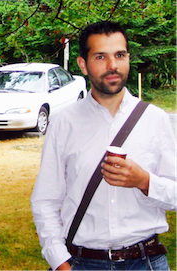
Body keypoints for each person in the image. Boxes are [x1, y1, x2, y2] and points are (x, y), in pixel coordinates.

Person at [31, 21, 176, 271]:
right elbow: (45, 200)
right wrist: (60, 262)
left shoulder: (156, 120)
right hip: (82, 263)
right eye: (101, 57)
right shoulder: (64, 124)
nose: (113, 66)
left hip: (146, 262)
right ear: (83, 65)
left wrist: (144, 181)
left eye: (120, 55)